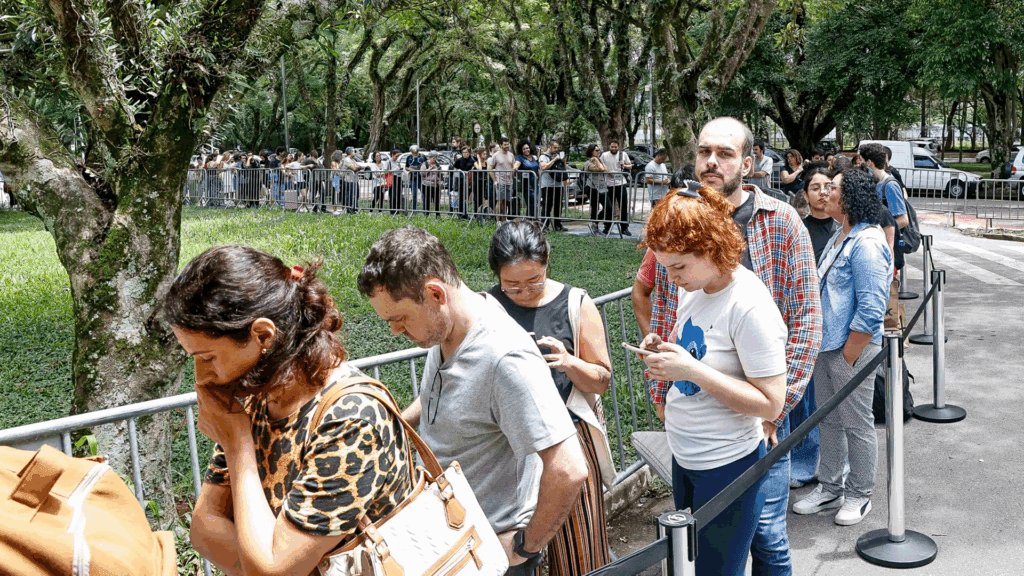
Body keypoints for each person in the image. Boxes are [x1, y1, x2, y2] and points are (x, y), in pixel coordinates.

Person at [635, 117, 822, 576]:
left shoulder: (781, 223)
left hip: (753, 435)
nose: (711, 162)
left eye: (725, 153)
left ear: (749, 162)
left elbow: (804, 325)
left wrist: (772, 418)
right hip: (696, 444)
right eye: (703, 152)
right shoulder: (678, 227)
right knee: (707, 554)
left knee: (768, 540)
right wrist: (665, 390)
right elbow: (668, 314)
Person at [168, 246, 413, 576]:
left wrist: (238, 442)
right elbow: (205, 528)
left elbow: (270, 569)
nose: (201, 379)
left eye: (208, 357)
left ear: (263, 335)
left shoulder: (352, 418)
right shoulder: (259, 397)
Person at [357, 227, 589, 576]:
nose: (394, 331)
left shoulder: (505, 358)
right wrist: (395, 426)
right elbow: (448, 395)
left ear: (435, 293)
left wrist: (525, 546)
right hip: (454, 542)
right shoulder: (447, 326)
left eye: (400, 318)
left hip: (492, 557)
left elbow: (569, 470)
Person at [639, 185, 788, 576]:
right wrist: (665, 349)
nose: (670, 280)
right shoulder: (699, 287)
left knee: (715, 570)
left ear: (710, 247)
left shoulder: (749, 305)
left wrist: (690, 371)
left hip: (727, 464)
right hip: (688, 456)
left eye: (678, 267)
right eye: (665, 267)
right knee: (692, 564)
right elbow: (700, 349)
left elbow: (771, 403)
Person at [486, 221, 613, 576]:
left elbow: (602, 379)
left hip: (568, 439)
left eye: (534, 281)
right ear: (496, 274)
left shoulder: (575, 302)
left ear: (547, 264)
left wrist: (569, 362)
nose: (524, 292)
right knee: (518, 551)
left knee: (579, 549)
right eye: (511, 285)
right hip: (508, 448)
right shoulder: (486, 307)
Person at [792, 167, 892, 526]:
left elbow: (871, 307)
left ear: (848, 198)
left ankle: (859, 494)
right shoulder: (841, 236)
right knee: (830, 422)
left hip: (850, 349)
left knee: (856, 423)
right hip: (828, 346)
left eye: (832, 188)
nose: (824, 193)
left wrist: (849, 355)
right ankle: (831, 487)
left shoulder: (866, 243)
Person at [598, 141, 633, 236]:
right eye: (612, 146)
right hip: (608, 184)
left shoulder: (623, 154)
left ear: (618, 147)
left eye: (615, 147)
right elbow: (600, 165)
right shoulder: (604, 155)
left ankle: (624, 228)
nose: (613, 148)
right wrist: (607, 171)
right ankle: (607, 227)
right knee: (608, 207)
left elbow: (630, 166)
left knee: (623, 206)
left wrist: (624, 165)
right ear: (609, 146)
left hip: (621, 183)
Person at [539, 141, 568, 231]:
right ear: (549, 147)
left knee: (558, 206)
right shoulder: (543, 157)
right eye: (554, 147)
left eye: (557, 147)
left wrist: (563, 161)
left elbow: (563, 169)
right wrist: (555, 159)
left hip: (558, 185)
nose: (556, 149)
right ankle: (544, 225)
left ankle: (558, 225)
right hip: (547, 185)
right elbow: (544, 167)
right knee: (547, 205)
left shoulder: (558, 156)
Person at [489, 138, 516, 221]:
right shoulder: (496, 155)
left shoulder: (511, 155)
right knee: (499, 201)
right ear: (501, 145)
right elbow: (490, 168)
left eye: (508, 144)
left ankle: (504, 220)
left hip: (509, 182)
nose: (506, 146)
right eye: (505, 144)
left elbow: (513, 167)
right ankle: (498, 221)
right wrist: (495, 180)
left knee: (505, 202)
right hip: (500, 181)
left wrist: (512, 178)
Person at [583, 144, 607, 236]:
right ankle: (595, 228)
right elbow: (601, 168)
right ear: (591, 152)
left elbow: (605, 169)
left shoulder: (600, 160)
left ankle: (595, 223)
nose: (598, 152)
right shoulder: (588, 163)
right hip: (592, 187)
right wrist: (597, 160)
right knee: (594, 207)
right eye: (596, 150)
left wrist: (598, 160)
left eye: (599, 150)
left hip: (601, 187)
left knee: (608, 207)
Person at [514, 141, 541, 218]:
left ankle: (533, 220)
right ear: (521, 150)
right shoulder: (520, 158)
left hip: (536, 184)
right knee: (531, 202)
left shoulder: (534, 158)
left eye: (527, 148)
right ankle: (529, 220)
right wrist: (515, 168)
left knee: (536, 203)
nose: (526, 150)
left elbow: (538, 169)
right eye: (524, 149)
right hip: (527, 185)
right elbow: (516, 164)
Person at [454, 146, 477, 217]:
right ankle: (460, 213)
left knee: (466, 198)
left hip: (469, 182)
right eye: (463, 152)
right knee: (460, 198)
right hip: (460, 182)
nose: (464, 154)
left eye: (466, 152)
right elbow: (455, 168)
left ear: (469, 153)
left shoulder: (472, 160)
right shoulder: (459, 160)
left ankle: (465, 213)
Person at [473, 147, 491, 216]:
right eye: (483, 154)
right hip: (477, 183)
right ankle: (476, 214)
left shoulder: (486, 163)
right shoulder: (476, 163)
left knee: (484, 199)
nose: (485, 155)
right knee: (477, 199)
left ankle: (483, 213)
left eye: (486, 154)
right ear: (479, 154)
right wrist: (479, 159)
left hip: (485, 182)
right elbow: (480, 169)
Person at [407, 145, 425, 211]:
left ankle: (425, 209)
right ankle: (414, 209)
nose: (415, 154)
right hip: (413, 178)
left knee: (424, 194)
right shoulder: (409, 157)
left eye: (416, 153)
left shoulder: (422, 157)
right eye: (413, 153)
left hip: (422, 178)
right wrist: (409, 169)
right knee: (414, 194)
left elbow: (426, 165)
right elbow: (406, 167)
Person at [389, 149, 405, 214]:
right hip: (392, 178)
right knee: (393, 195)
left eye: (398, 156)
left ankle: (397, 210)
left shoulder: (398, 162)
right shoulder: (388, 162)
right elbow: (385, 171)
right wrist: (394, 170)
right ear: (392, 155)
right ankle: (392, 211)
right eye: (396, 156)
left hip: (398, 178)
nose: (397, 157)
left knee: (399, 195)